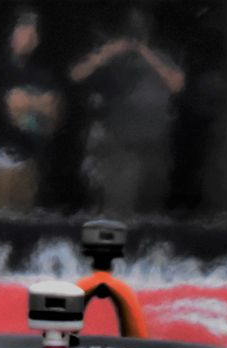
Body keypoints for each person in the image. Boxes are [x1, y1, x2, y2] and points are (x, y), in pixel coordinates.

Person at [70, 9, 183, 214]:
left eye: (141, 27)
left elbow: (176, 84)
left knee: (151, 207)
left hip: (155, 144)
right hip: (120, 147)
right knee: (119, 210)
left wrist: (145, 52)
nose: (136, 32)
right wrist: (108, 52)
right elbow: (77, 74)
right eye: (132, 27)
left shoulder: (160, 57)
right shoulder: (113, 58)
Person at [0, 9, 58, 210]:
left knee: (26, 221)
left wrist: (29, 103)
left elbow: (53, 111)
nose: (27, 37)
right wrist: (37, 103)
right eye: (23, 31)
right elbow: (12, 104)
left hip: (31, 158)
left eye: (32, 33)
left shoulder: (41, 73)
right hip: (2, 158)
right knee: (1, 220)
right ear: (12, 35)